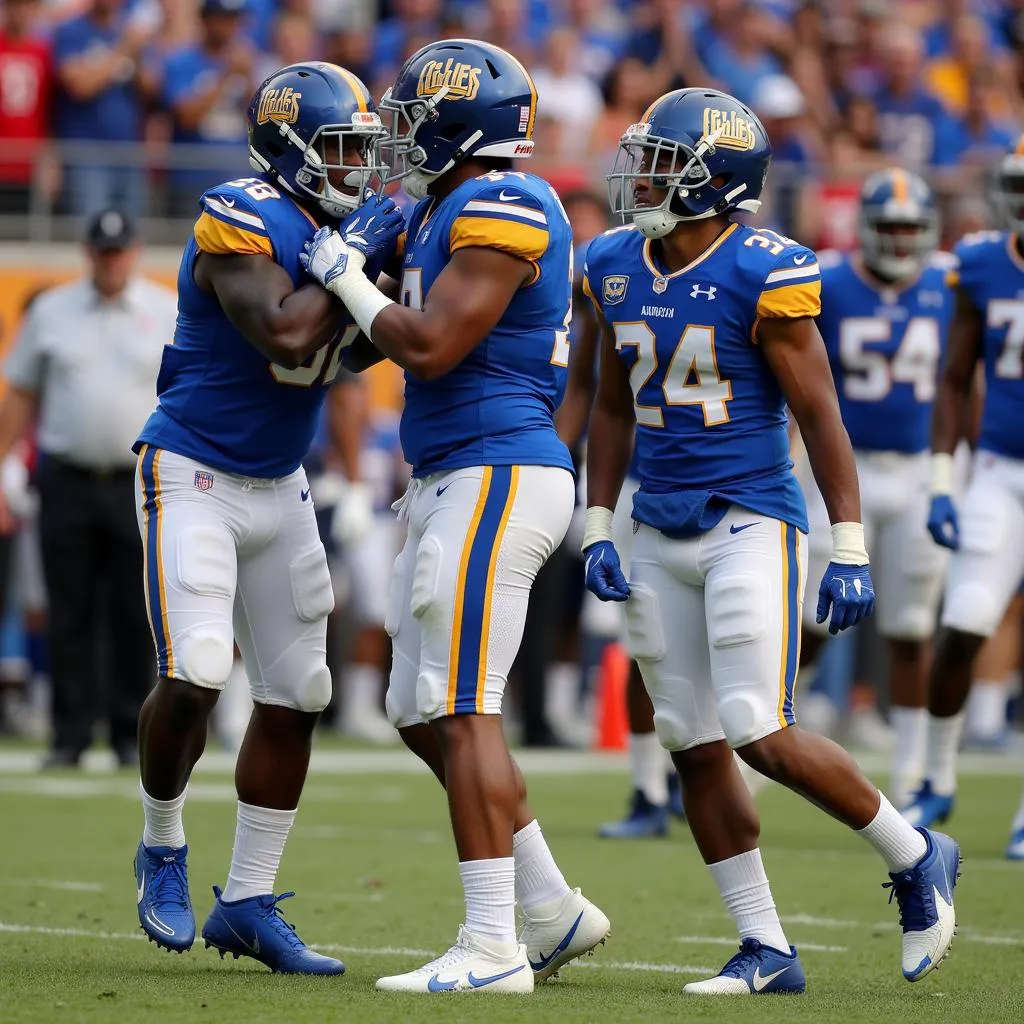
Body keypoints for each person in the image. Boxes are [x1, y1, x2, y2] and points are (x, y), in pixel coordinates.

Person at [582, 87, 959, 994]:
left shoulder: (766, 269)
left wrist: (851, 541)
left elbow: (819, 413)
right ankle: (766, 946)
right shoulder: (611, 261)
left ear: (714, 179)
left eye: (663, 161)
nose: (641, 176)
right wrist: (597, 519)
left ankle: (914, 855)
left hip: (751, 515)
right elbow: (606, 402)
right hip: (655, 517)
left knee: (758, 726)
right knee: (691, 738)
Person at [301, 37, 610, 994]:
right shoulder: (444, 205)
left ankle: (493, 946)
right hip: (451, 473)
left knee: (462, 707)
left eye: (412, 118)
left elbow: (429, 345)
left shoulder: (504, 202)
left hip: (497, 469)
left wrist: (344, 272)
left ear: (455, 124)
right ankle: (551, 908)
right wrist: (368, 262)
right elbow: (364, 353)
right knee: (415, 708)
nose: (398, 136)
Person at [130, 61, 404, 975]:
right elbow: (286, 331)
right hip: (194, 470)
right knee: (200, 670)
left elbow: (360, 348)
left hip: (281, 481)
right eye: (340, 147)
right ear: (288, 148)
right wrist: (354, 256)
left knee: (304, 695)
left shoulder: (330, 229)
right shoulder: (239, 214)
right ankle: (163, 839)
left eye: (366, 149)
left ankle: (248, 898)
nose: (357, 166)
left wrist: (377, 275)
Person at [799, 168, 955, 807]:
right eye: (888, 226)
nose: (898, 240)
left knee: (912, 626)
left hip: (919, 470)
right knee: (812, 616)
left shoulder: (949, 283)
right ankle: (761, 748)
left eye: (909, 228)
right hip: (844, 469)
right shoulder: (830, 281)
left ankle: (915, 773)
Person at [0, 209, 175, 768]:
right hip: (68, 476)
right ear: (88, 253)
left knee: (133, 609)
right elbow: (22, 393)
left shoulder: (163, 309)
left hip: (136, 479)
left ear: (135, 250)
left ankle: (129, 733)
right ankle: (70, 733)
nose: (111, 261)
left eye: (119, 251)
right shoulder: (52, 311)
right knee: (69, 608)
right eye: (103, 252)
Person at [903, 136, 1024, 861]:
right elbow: (953, 380)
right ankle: (938, 774)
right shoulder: (980, 265)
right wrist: (945, 479)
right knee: (968, 617)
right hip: (1000, 470)